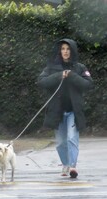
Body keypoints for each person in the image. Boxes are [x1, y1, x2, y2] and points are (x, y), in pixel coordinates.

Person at [37, 38, 93, 178]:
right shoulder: (51, 67)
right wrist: (59, 76)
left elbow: (88, 84)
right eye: (63, 49)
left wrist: (72, 76)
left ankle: (73, 166)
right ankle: (65, 164)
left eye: (68, 49)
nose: (65, 51)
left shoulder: (80, 67)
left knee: (71, 138)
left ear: (72, 51)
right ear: (59, 51)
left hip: (74, 111)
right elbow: (42, 81)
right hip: (58, 112)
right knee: (61, 142)